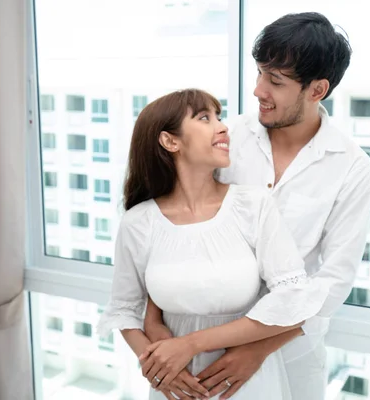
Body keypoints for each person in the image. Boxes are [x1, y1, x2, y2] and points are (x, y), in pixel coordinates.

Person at [143, 11, 370, 400]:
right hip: (197, 346)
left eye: (275, 81)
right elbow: (170, 224)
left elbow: (333, 281)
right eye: (260, 73)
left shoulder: (350, 166)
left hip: (290, 352)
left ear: (317, 90)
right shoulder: (225, 136)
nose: (258, 90)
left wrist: (258, 348)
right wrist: (154, 321)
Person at [97, 88, 329, 400]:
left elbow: (293, 301)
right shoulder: (139, 222)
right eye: (204, 118)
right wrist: (157, 367)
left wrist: (190, 344)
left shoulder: (253, 204)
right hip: (175, 386)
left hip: (245, 381)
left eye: (218, 117)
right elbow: (124, 309)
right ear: (170, 141)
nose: (222, 126)